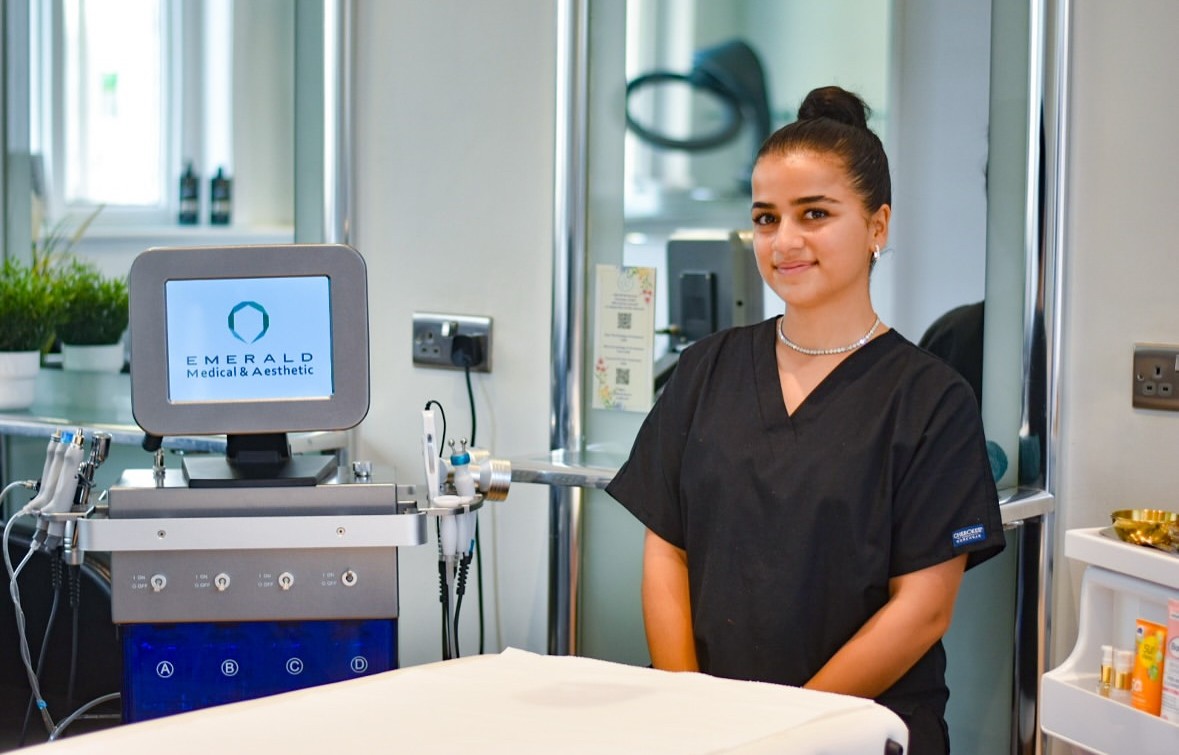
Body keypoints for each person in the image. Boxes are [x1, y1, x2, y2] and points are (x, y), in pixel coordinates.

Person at [606, 85, 1005, 754]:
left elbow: (922, 608)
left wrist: (785, 729)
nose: (783, 240)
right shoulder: (706, 370)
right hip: (703, 730)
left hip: (855, 729)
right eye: (765, 218)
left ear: (878, 226)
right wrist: (688, 706)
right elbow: (665, 549)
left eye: (813, 213)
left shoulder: (929, 398)